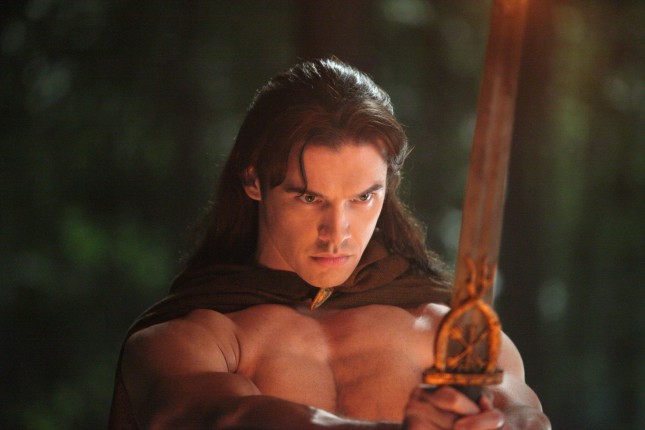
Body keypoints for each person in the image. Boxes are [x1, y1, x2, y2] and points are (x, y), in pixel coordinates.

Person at [108, 58, 550, 429]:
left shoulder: (443, 332)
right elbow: (228, 417)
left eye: (363, 198)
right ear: (253, 180)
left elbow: (525, 415)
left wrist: (498, 426)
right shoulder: (198, 338)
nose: (337, 233)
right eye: (309, 198)